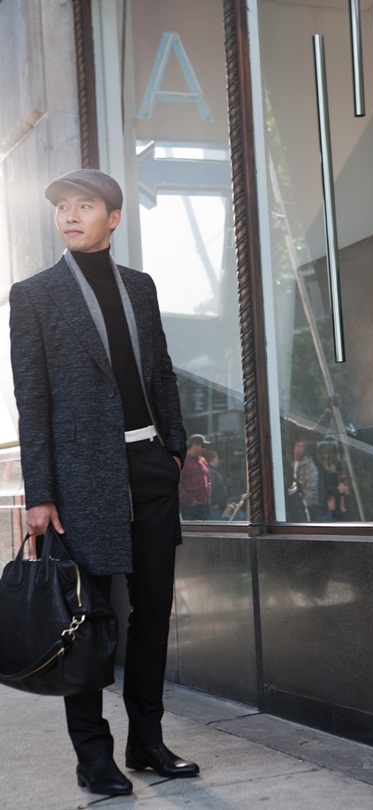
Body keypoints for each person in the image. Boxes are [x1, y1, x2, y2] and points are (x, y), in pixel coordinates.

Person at [9, 169, 199, 797]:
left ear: (113, 218)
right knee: (85, 617)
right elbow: (32, 400)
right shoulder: (33, 295)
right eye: (62, 206)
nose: (69, 215)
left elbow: (162, 372)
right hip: (78, 479)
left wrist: (174, 448)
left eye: (84, 205)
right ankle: (93, 758)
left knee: (153, 610)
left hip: (149, 467)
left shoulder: (140, 287)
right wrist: (40, 492)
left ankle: (148, 740)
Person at [178, 434, 211, 520]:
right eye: (202, 446)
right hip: (189, 507)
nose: (204, 449)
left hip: (204, 504)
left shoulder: (202, 460)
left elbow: (208, 479)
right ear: (193, 445)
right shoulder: (183, 461)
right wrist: (190, 501)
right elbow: (178, 484)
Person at [292, 441, 320, 520]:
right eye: (297, 445)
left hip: (305, 507)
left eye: (302, 446)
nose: (299, 448)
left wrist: (302, 505)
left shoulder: (309, 466)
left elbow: (312, 489)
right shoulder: (287, 461)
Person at [205, 449, 228, 519]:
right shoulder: (211, 472)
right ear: (214, 459)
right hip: (214, 508)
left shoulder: (210, 471)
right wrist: (215, 503)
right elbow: (211, 488)